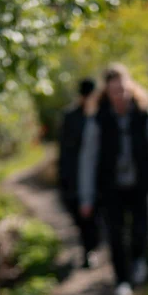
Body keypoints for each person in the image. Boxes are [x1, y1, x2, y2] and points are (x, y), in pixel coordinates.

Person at [78, 63, 148, 295]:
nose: (120, 95)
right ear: (107, 93)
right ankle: (122, 280)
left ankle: (139, 261)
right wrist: (86, 196)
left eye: (123, 89)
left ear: (130, 87)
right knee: (115, 235)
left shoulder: (145, 114)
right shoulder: (97, 120)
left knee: (142, 230)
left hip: (141, 185)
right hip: (111, 188)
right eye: (114, 91)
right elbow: (88, 160)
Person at [58, 78, 100, 268]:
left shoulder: (100, 115)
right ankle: (87, 250)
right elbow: (64, 150)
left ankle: (92, 247)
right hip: (74, 176)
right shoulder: (71, 116)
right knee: (81, 216)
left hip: (97, 176)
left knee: (95, 217)